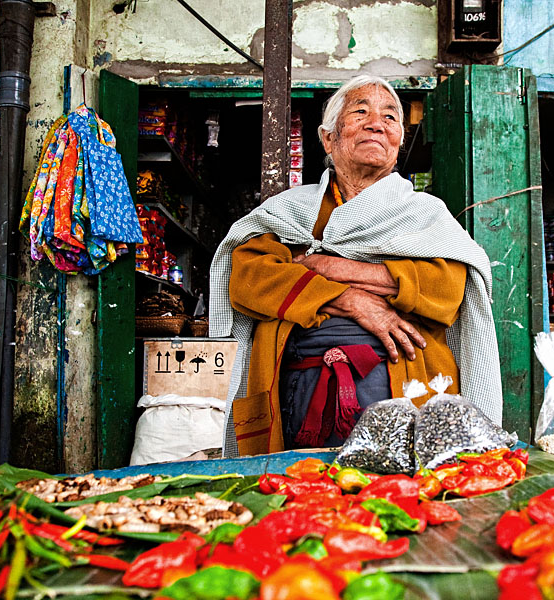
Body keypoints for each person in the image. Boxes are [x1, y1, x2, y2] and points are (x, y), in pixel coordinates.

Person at [209, 75, 502, 457]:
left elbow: (447, 287)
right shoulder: (290, 211)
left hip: (407, 380)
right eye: (360, 112)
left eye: (389, 117)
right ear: (328, 138)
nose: (376, 123)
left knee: (403, 496)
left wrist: (328, 266)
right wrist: (351, 301)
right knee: (306, 491)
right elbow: (248, 277)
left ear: (398, 141)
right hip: (297, 387)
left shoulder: (425, 215)